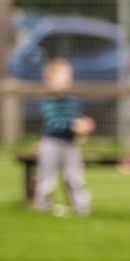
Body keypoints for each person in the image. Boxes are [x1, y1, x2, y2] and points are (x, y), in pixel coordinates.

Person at [32, 57, 94, 216]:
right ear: (49, 80)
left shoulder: (73, 101)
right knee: (47, 176)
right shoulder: (48, 102)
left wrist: (83, 126)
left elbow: (76, 119)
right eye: (62, 76)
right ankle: (42, 204)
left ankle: (80, 206)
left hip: (70, 144)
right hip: (51, 144)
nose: (66, 80)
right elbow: (53, 122)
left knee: (74, 177)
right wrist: (73, 125)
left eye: (68, 76)